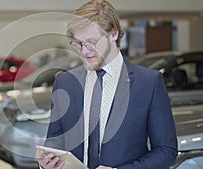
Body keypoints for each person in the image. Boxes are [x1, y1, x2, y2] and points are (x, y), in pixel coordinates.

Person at [36, 0, 178, 169]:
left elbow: (165, 150)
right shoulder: (65, 82)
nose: (84, 51)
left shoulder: (149, 82)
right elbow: (55, 141)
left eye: (91, 42)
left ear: (113, 34)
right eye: (78, 43)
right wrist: (48, 162)